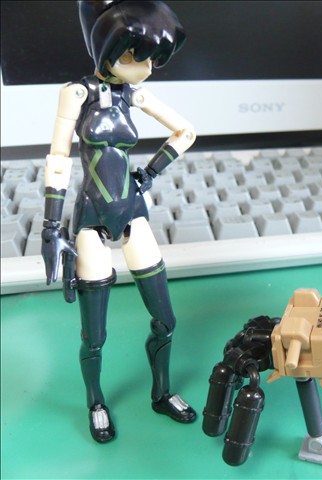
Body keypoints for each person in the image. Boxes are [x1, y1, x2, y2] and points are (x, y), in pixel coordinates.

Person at [41, 0, 197, 443]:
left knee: (165, 319)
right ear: (106, 46)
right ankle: (96, 402)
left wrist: (150, 173)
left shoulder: (136, 95)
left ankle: (161, 393)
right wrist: (51, 228)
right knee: (94, 335)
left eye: (152, 60)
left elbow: (186, 132)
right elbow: (58, 158)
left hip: (132, 210)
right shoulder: (77, 94)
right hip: (92, 217)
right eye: (135, 56)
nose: (145, 68)